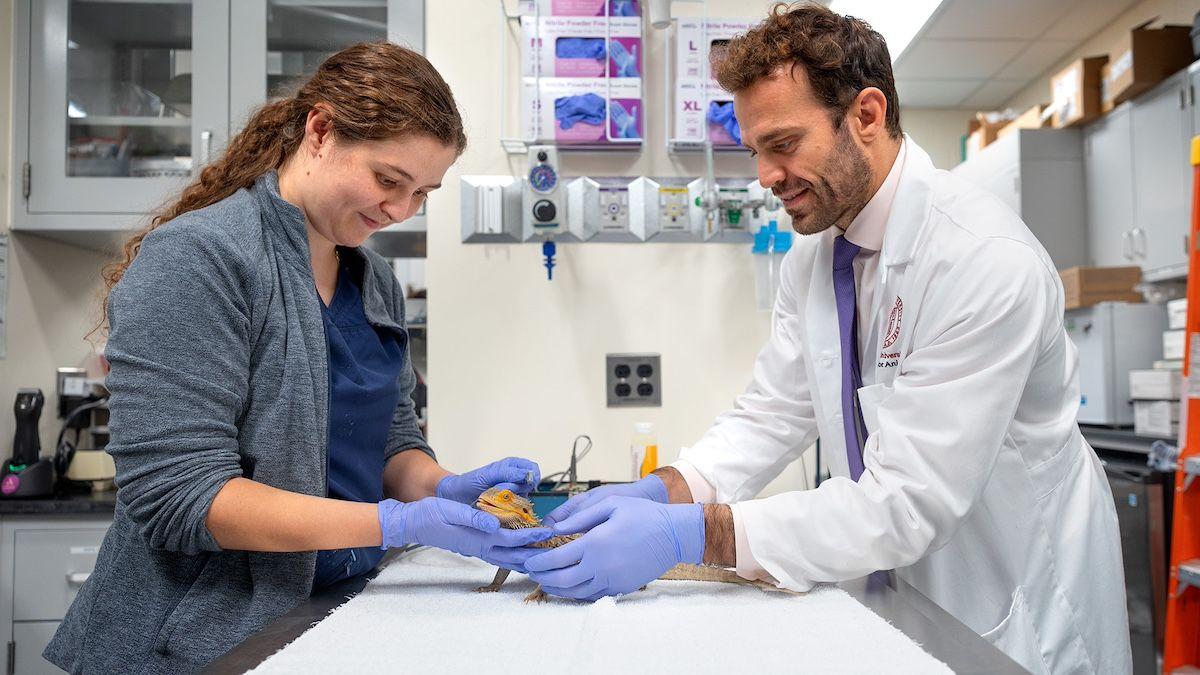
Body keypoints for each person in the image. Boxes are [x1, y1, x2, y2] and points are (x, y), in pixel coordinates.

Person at [507, 4, 1132, 673]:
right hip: (902, 593)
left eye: (782, 144)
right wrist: (667, 488)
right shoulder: (816, 255)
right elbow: (771, 414)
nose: (766, 177)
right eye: (755, 153)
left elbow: (906, 502)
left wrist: (692, 533)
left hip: (1020, 616)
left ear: (866, 115)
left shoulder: (979, 260)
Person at [44, 43, 549, 674]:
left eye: (422, 193)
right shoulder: (201, 260)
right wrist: (396, 522)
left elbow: (390, 444)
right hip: (194, 643)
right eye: (389, 180)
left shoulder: (374, 281)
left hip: (329, 613)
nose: (399, 211)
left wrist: (445, 488)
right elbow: (182, 499)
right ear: (320, 129)